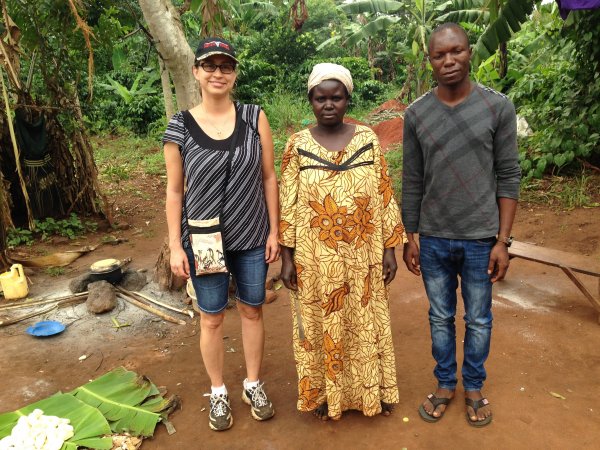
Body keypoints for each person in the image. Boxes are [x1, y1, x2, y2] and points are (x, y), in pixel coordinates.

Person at [401, 23, 521, 427]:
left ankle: (473, 386)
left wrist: (503, 241)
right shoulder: (416, 114)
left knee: (479, 319)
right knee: (439, 317)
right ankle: (445, 383)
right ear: (430, 61)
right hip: (433, 239)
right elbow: (412, 179)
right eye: (440, 55)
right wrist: (410, 236)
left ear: (470, 53)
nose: (449, 60)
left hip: (480, 238)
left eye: (457, 51)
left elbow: (508, 175)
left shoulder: (497, 107)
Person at [279, 63, 407, 421]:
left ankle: (374, 394)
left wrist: (390, 250)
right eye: (321, 98)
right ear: (311, 100)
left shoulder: (367, 140)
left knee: (366, 323)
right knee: (320, 327)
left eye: (337, 97)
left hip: (364, 257)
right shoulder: (298, 145)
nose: (329, 104)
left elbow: (384, 196)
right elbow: (287, 202)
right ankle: (324, 396)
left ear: (348, 98)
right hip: (315, 260)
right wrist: (287, 259)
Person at [163, 37, 279, 431]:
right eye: (209, 66)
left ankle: (252, 383)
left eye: (225, 66)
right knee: (211, 318)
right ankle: (217, 392)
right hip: (204, 240)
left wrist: (274, 230)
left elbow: (268, 176)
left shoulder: (253, 117)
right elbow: (175, 190)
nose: (218, 73)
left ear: (234, 74)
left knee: (252, 308)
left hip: (250, 234)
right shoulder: (179, 125)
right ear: (196, 72)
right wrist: (175, 246)